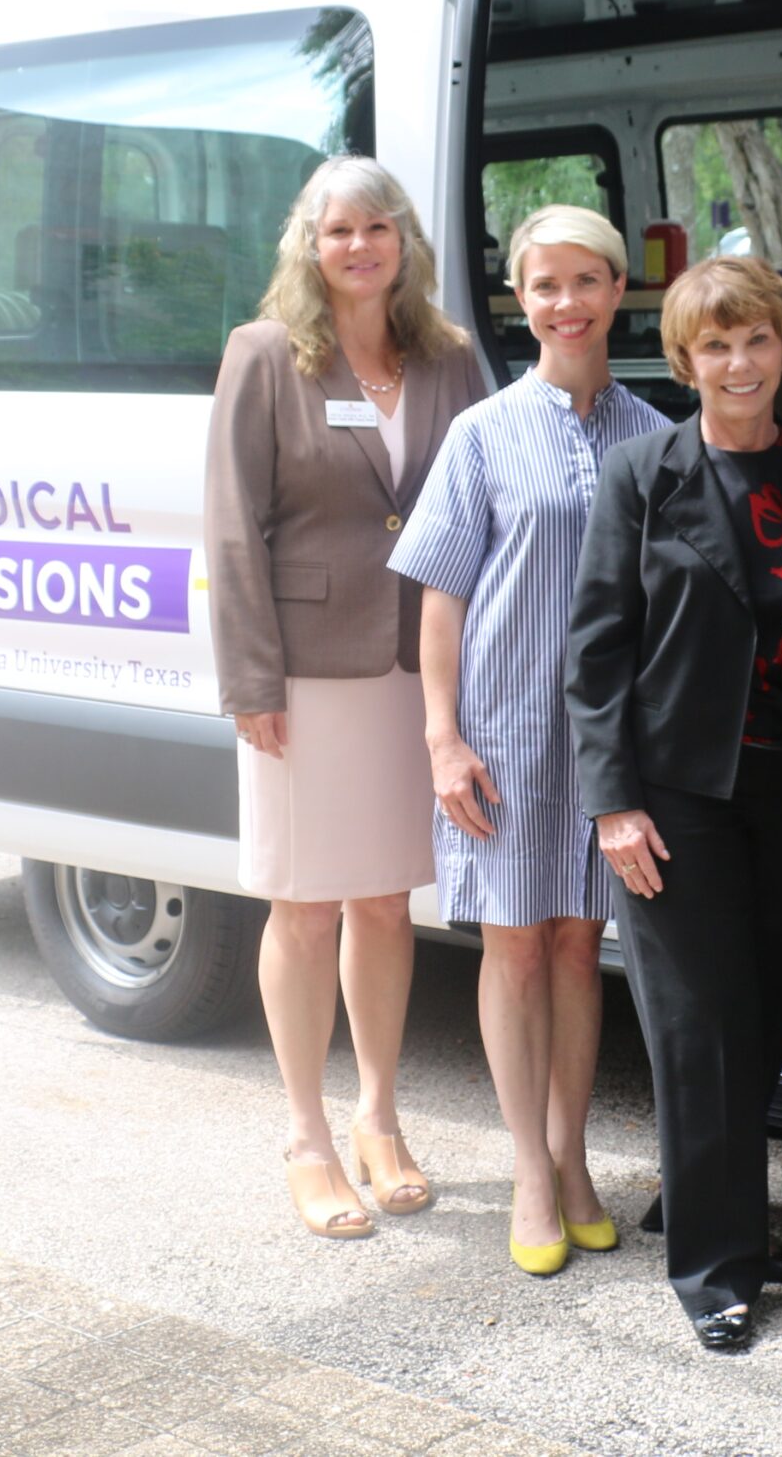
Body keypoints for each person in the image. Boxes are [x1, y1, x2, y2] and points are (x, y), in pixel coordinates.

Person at [202, 156, 485, 1240]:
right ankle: (307, 1136)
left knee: (381, 898)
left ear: (403, 238)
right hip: (303, 675)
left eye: (376, 227)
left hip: (414, 667)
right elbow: (232, 522)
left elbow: (475, 505)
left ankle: (377, 1117)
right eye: (337, 231)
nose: (358, 246)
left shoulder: (447, 359)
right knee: (302, 901)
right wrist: (249, 678)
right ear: (309, 246)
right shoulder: (266, 354)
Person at [390, 204, 668, 1276]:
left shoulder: (653, 431)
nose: (565, 302)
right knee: (513, 942)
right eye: (544, 284)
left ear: (615, 292)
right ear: (522, 298)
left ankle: (573, 1153)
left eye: (585, 281)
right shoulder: (482, 432)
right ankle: (528, 1169)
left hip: (605, 742)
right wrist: (440, 739)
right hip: (502, 729)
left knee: (574, 946)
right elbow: (442, 599)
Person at [565, 256, 782, 1353]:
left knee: (763, 1016)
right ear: (684, 360)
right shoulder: (640, 474)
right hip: (675, 794)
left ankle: (722, 1214)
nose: (737, 362)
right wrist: (612, 802)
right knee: (698, 1030)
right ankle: (715, 1271)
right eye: (713, 345)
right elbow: (594, 649)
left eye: (755, 339)